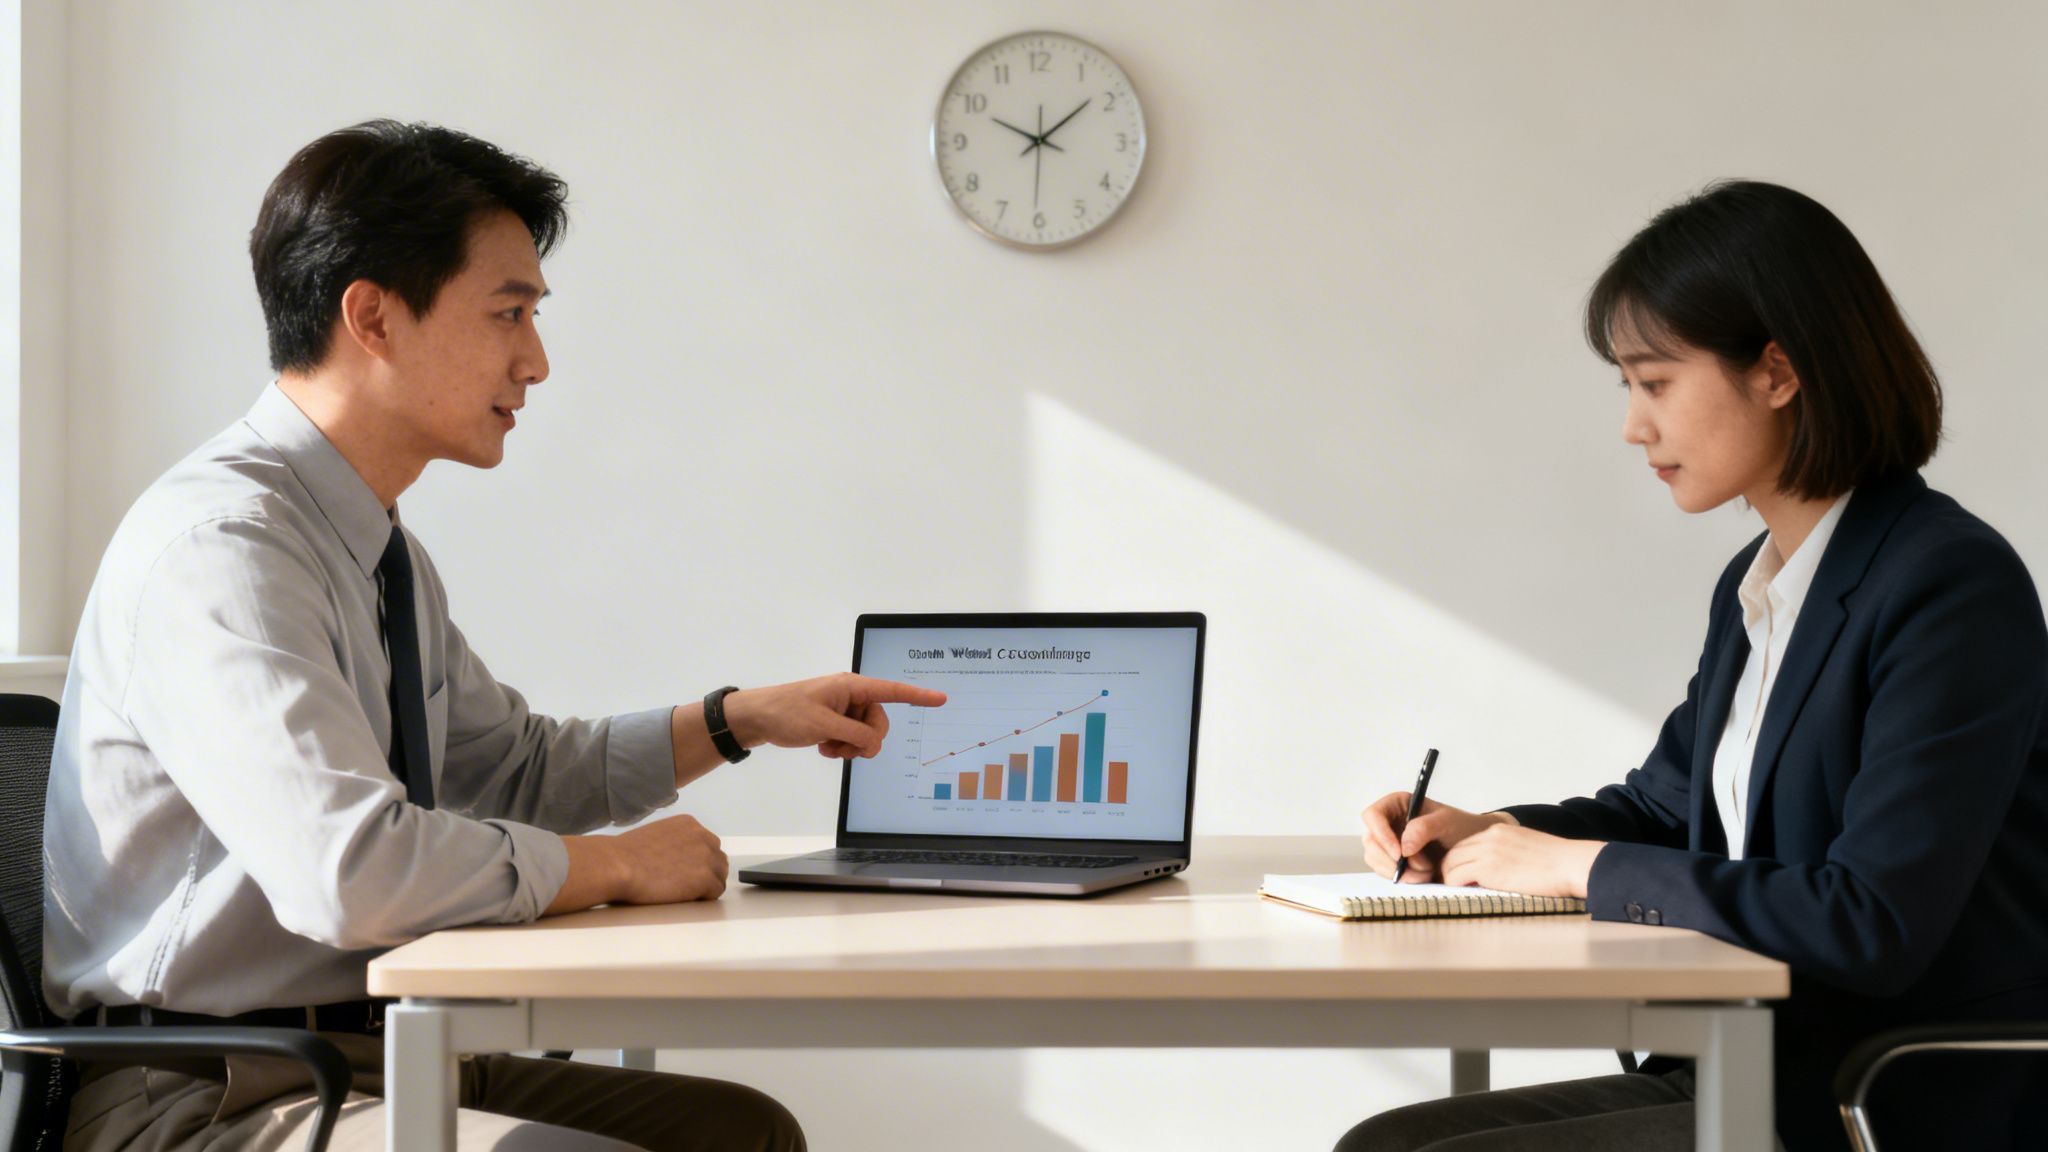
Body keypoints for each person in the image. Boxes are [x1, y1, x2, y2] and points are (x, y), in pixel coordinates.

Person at [43, 119, 945, 1152]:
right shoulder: (225, 551)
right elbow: (350, 873)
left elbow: (505, 769)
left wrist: (734, 721)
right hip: (204, 1095)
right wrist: (607, 867)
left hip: (374, 1054)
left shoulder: (375, 549)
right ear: (373, 318)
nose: (537, 361)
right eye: (509, 313)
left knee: (740, 1134)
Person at [1336, 181, 2048, 1152]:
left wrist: (1572, 867)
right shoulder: (1759, 587)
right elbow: (1665, 813)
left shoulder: (1946, 585)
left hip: (1869, 1101)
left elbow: (1869, 918)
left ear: (1777, 372)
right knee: (1385, 1143)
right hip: (1744, 1069)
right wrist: (1487, 833)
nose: (1633, 425)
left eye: (1654, 382)